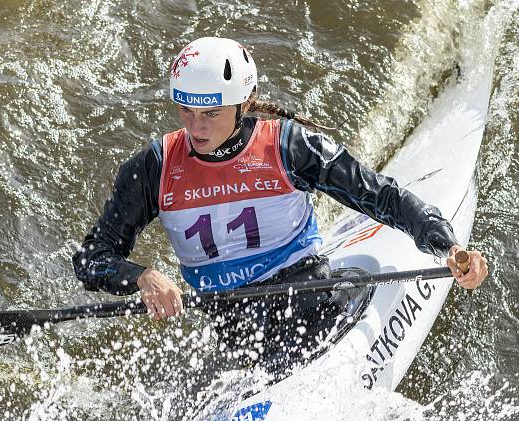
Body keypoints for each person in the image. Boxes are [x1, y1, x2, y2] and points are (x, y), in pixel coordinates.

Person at [72, 36, 488, 376]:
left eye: (210, 113)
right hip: (234, 330)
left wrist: (445, 247)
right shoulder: (154, 167)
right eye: (185, 110)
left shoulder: (289, 147)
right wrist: (141, 277)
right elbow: (92, 257)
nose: (195, 128)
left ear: (243, 104)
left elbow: (380, 195)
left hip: (314, 300)